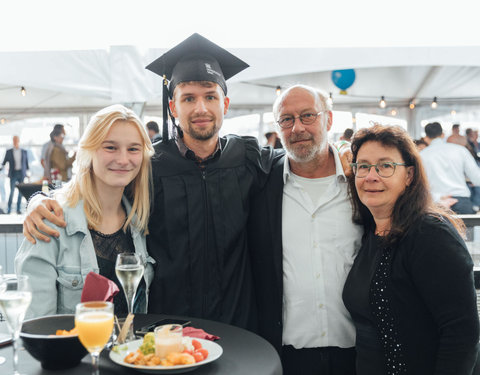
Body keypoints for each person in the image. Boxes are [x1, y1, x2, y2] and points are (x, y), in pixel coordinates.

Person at [22, 34, 278, 330]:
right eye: (188, 98)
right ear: (172, 107)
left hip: (239, 327)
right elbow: (94, 182)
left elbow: (302, 164)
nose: (201, 108)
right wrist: (38, 201)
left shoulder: (249, 158)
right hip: (164, 332)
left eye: (210, 96)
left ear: (226, 104)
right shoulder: (149, 166)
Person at [342, 124, 479, 375]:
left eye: (385, 166)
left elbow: (461, 335)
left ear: (409, 175)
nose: (371, 176)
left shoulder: (430, 233)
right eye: (363, 166)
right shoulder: (369, 232)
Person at [249, 84, 362, 375]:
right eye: (287, 119)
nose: (297, 127)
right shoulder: (261, 184)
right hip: (287, 355)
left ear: (329, 120)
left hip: (360, 353)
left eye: (308, 115)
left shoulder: (361, 182)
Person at [15, 104, 155, 318]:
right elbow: (38, 329)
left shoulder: (141, 222)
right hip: (72, 352)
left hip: (131, 351)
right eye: (110, 147)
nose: (123, 159)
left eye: (133, 149)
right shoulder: (50, 222)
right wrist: (36, 199)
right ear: (88, 151)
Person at [421, 121, 480, 214]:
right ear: (442, 134)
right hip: (461, 201)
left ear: (426, 138)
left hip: (435, 203)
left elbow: (420, 184)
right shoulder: (460, 150)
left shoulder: (422, 155)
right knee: (466, 228)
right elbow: (477, 178)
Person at [0, 135, 29, 214]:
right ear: (12, 141)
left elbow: (26, 164)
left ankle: (18, 209)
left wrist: (27, 173)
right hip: (13, 174)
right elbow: (4, 163)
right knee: (12, 192)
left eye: (16, 140)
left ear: (18, 141)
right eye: (14, 140)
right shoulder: (9, 152)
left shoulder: (24, 151)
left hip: (21, 173)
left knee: (20, 192)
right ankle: (9, 209)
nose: (15, 141)